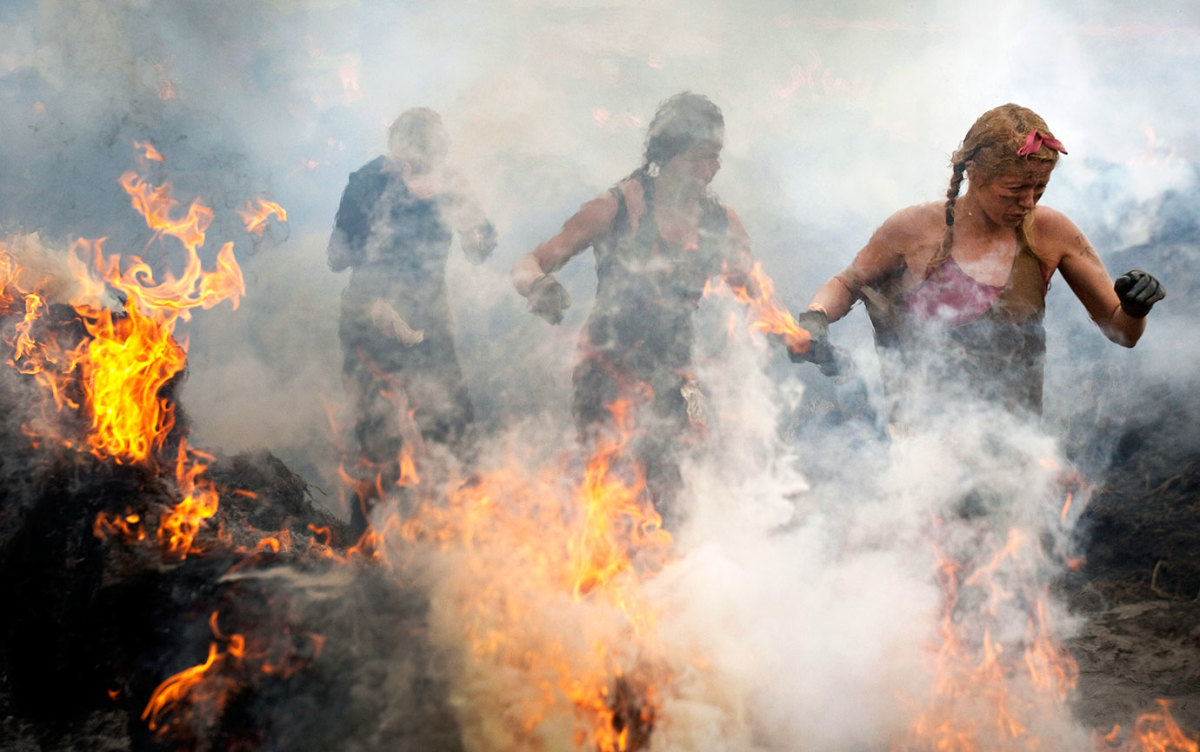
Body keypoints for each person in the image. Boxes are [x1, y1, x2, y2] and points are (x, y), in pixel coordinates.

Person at [794, 103, 1165, 429]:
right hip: (916, 453)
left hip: (1017, 453)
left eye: (1039, 189)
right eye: (1013, 190)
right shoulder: (912, 229)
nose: (1027, 203)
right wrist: (816, 317)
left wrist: (1135, 307)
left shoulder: (1053, 233)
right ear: (974, 173)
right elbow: (846, 284)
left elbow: (1123, 333)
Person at [511, 92, 774, 527]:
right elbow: (527, 264)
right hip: (607, 370)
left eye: (716, 158)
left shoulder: (721, 223)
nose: (710, 171)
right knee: (610, 489)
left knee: (676, 489)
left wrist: (806, 333)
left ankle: (672, 585)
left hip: (675, 371)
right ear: (667, 155)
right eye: (698, 159)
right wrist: (538, 287)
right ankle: (601, 581)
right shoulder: (615, 209)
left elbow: (758, 295)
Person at [329, 107, 496, 536]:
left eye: (431, 156)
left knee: (451, 427)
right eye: (414, 156)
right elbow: (336, 256)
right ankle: (365, 541)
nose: (421, 166)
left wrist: (476, 232)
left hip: (426, 320)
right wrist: (373, 243)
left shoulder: (452, 185)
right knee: (375, 431)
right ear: (396, 150)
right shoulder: (368, 182)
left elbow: (480, 246)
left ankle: (456, 534)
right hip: (371, 315)